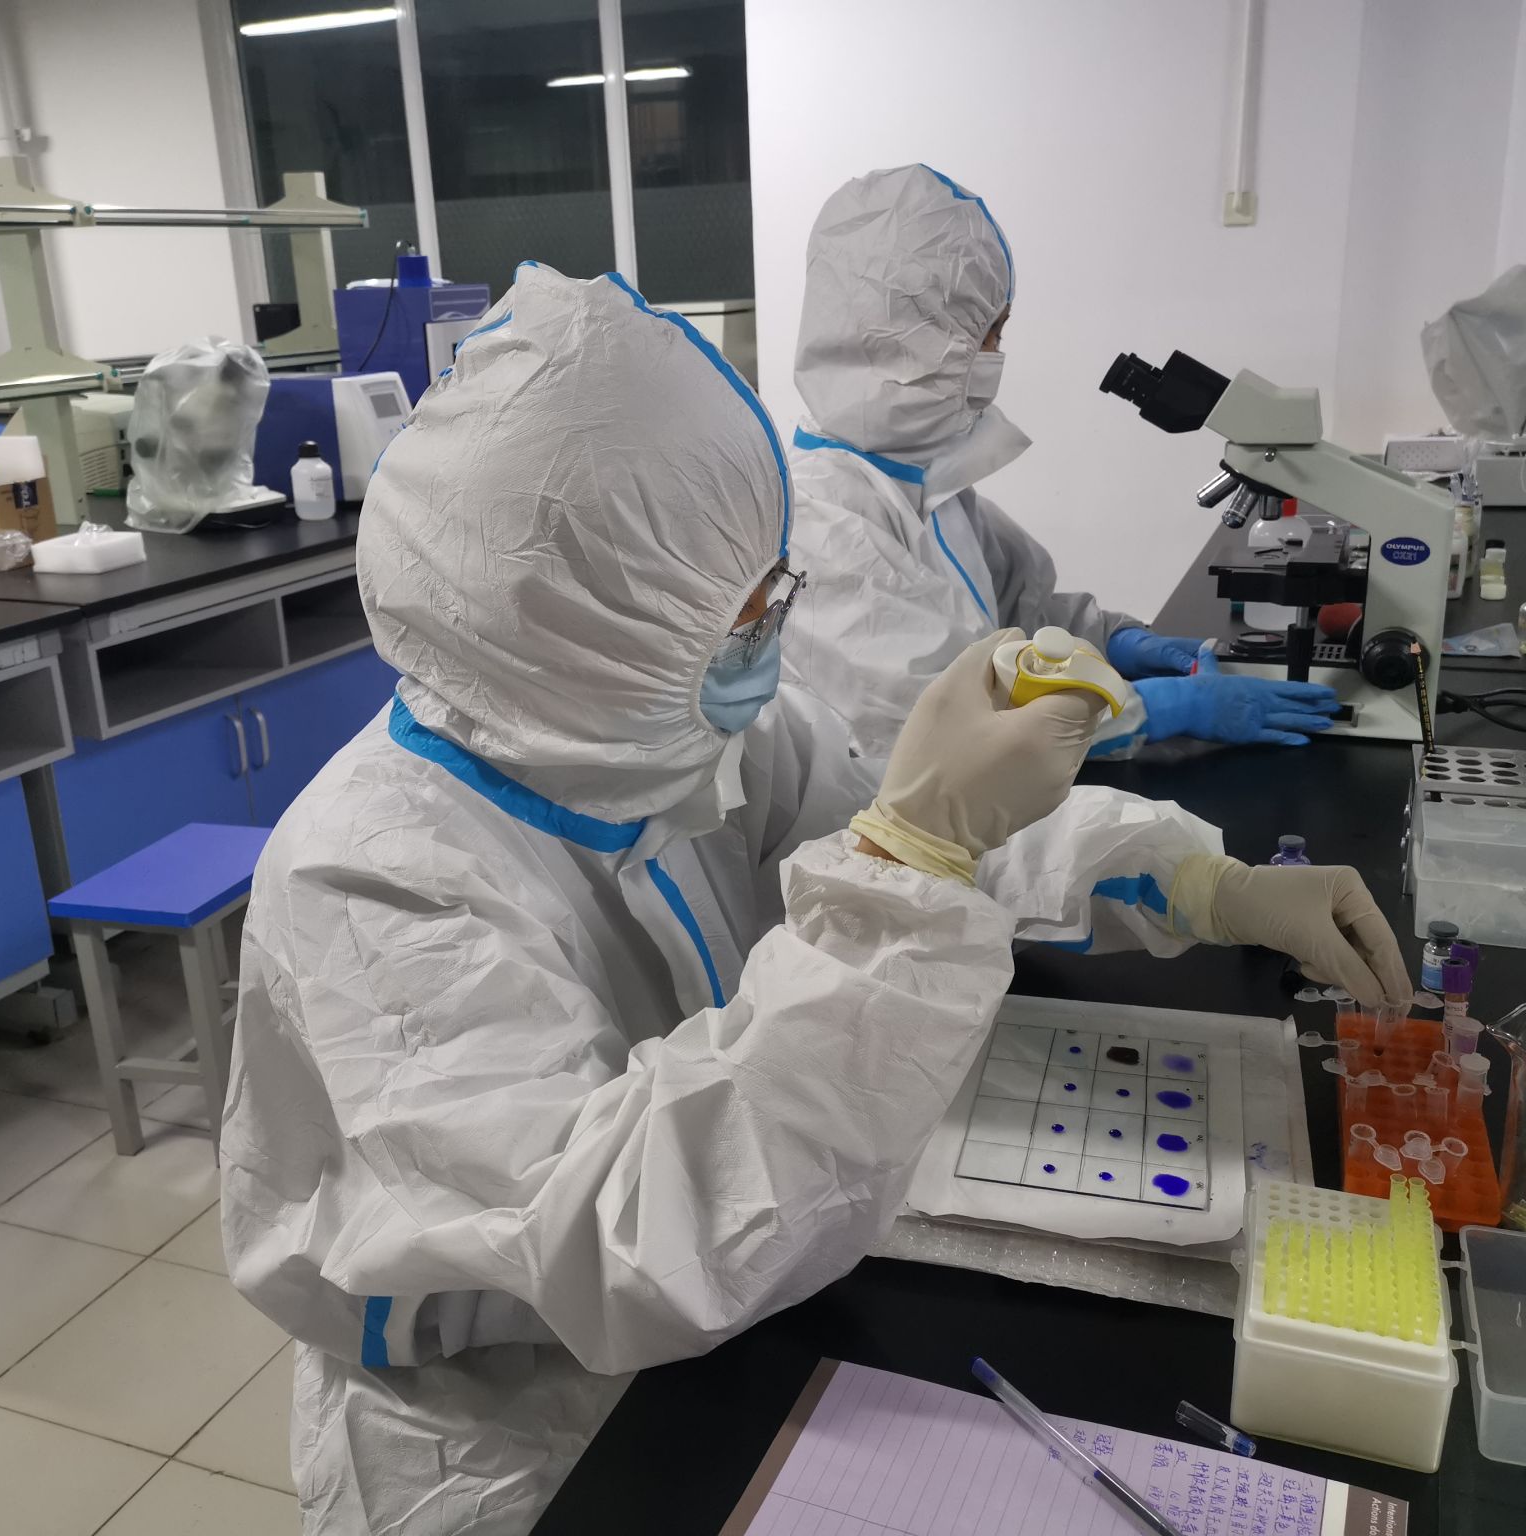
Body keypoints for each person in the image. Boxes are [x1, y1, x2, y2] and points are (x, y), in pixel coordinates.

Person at [220, 265, 1410, 1535]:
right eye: (743, 611)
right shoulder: (375, 879)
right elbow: (623, 1236)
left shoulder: (674, 731)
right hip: (506, 1436)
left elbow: (917, 839)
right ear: (581, 630)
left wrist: (1195, 878)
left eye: (771, 588)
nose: (771, 631)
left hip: (735, 1308)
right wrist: (911, 860)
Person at [783, 163, 1342, 761]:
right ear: (909, 343)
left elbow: (1020, 615)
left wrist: (1111, 641)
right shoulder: (822, 527)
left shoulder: (926, 485)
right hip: (903, 809)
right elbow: (957, 719)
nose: (996, 355)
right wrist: (1153, 709)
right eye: (989, 334)